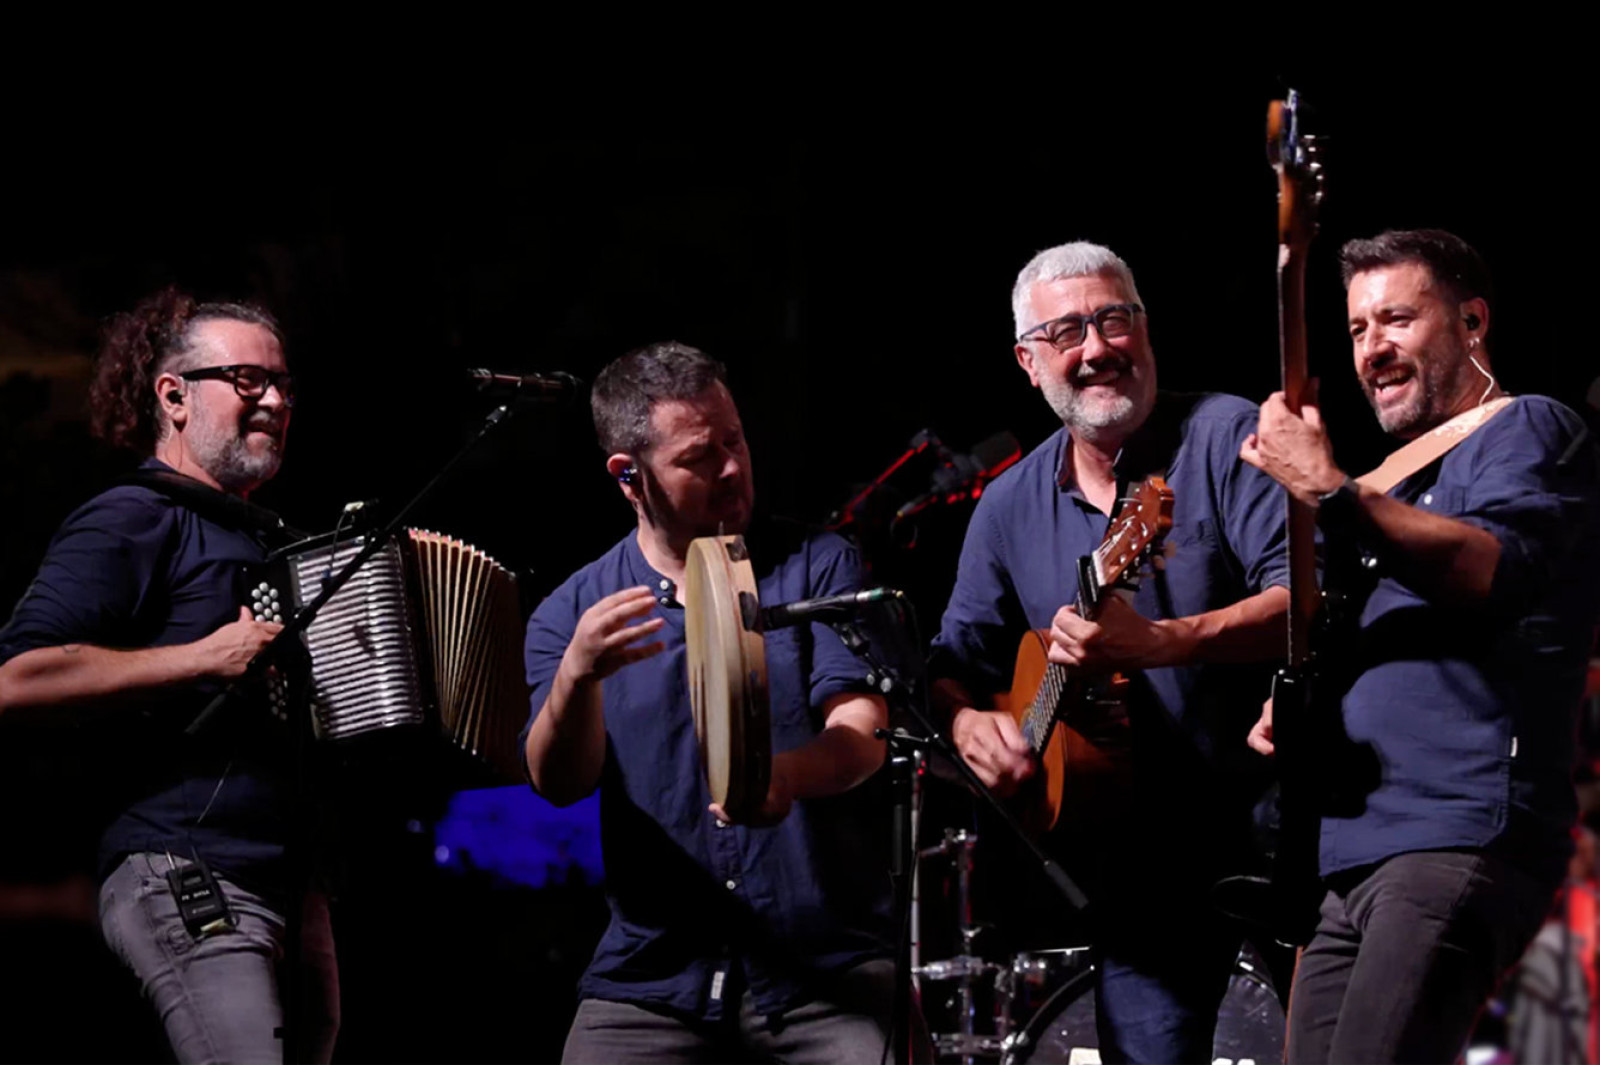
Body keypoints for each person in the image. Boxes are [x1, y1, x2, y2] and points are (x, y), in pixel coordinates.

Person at [1241, 227, 1600, 1063]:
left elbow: (1490, 567)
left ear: (1472, 322)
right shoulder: (1389, 485)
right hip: (1346, 857)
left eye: (1397, 319)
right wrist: (1299, 699)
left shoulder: (1526, 427)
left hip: (1451, 830)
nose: (1372, 347)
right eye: (1358, 328)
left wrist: (1333, 491)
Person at [928, 241, 1292, 1063]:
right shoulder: (1008, 504)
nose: (1096, 348)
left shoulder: (1225, 437)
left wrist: (1160, 641)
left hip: (1279, 829)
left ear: (1145, 329)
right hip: (1134, 872)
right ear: (1028, 363)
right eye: (1066, 332)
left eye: (1113, 319)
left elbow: (1308, 603)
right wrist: (965, 724)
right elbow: (950, 664)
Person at [522, 341, 903, 1063]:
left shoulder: (819, 566)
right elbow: (557, 781)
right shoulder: (571, 613)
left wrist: (782, 777)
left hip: (824, 967)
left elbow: (864, 730)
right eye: (699, 457)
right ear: (629, 476)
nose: (731, 468)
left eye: (735, 440)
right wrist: (576, 676)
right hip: (655, 976)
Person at [0, 288, 338, 1063]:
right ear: (174, 396)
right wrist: (205, 656)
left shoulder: (266, 539)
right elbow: (16, 678)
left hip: (294, 879)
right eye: (248, 380)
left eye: (283, 384)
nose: (275, 401)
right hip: (186, 863)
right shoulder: (131, 515)